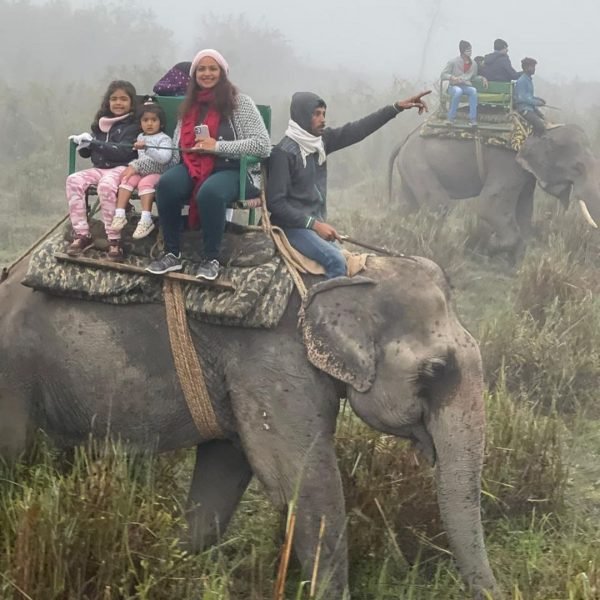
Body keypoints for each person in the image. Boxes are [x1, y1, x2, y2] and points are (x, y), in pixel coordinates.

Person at [266, 90, 430, 279]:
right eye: (317, 114)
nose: (323, 119)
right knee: (336, 261)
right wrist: (315, 224)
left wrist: (396, 108)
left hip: (313, 225)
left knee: (350, 260)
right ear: (302, 115)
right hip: (292, 228)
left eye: (324, 114)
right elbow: (276, 204)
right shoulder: (283, 153)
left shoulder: (319, 143)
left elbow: (358, 129)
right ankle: (327, 309)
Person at [145, 49, 271, 280]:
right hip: (193, 165)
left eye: (213, 68)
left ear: (222, 73)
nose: (207, 74)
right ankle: (172, 253)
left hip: (233, 169)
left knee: (210, 193)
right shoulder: (188, 106)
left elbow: (262, 145)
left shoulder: (240, 103)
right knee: (167, 185)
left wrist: (218, 147)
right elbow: (175, 152)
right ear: (194, 75)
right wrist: (141, 163)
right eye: (201, 69)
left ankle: (211, 258)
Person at [66, 80, 140, 259]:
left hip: (121, 168)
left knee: (106, 186)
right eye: (114, 99)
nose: (118, 103)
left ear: (131, 103)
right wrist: (83, 144)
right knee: (73, 180)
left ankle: (114, 239)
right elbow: (88, 152)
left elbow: (122, 152)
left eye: (123, 99)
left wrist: (95, 144)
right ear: (108, 102)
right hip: (99, 168)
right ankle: (82, 233)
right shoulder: (102, 123)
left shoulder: (133, 126)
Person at [111, 99, 176, 241]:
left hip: (158, 172)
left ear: (161, 123)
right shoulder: (141, 137)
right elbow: (140, 158)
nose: (150, 123)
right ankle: (120, 214)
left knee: (144, 183)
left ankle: (146, 219)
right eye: (145, 120)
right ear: (140, 123)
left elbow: (164, 158)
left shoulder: (164, 139)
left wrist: (147, 148)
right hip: (142, 171)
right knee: (126, 179)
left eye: (154, 120)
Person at [441, 40, 487, 127]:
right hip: (453, 86)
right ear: (462, 51)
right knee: (458, 92)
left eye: (470, 49)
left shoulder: (473, 64)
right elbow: (443, 75)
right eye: (468, 50)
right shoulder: (453, 62)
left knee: (473, 91)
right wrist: (452, 77)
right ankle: (451, 118)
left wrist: (482, 78)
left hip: (465, 86)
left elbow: (473, 77)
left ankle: (472, 119)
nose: (470, 52)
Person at [514, 57, 546, 135]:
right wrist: (537, 102)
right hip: (524, 109)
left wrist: (539, 100)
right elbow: (522, 98)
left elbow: (529, 96)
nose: (534, 69)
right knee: (540, 126)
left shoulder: (528, 79)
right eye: (532, 67)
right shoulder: (522, 81)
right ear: (526, 67)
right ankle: (535, 143)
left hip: (531, 108)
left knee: (545, 119)